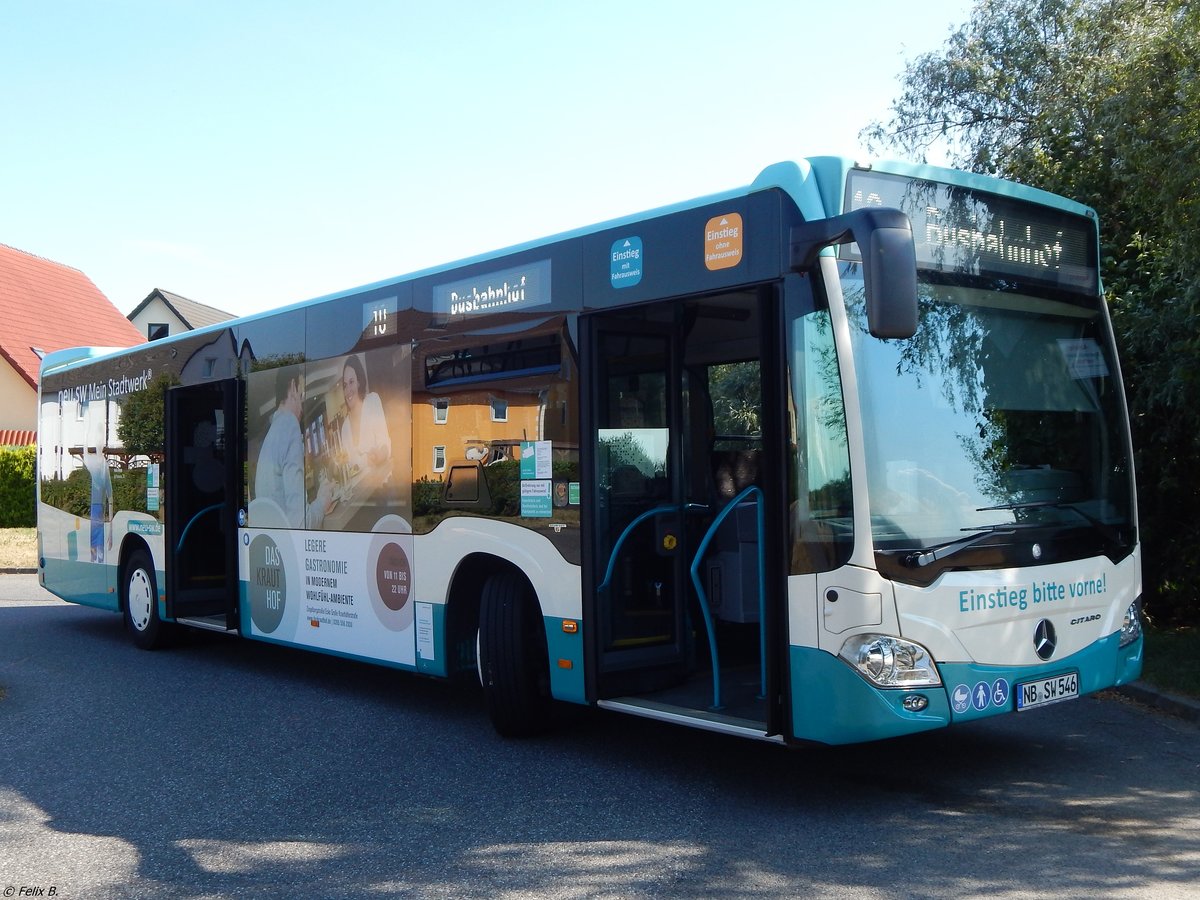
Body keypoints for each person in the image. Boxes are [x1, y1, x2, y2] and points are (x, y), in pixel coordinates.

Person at [254, 367, 332, 528]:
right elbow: (301, 523)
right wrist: (322, 502)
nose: (302, 406)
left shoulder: (270, 436)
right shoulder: (289, 424)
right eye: (302, 394)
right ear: (293, 388)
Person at [339, 354, 391, 470]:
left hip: (382, 482)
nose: (348, 390)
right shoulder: (344, 428)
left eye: (351, 382)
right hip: (362, 488)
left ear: (359, 382)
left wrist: (380, 456)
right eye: (345, 385)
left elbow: (384, 443)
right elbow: (347, 466)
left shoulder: (372, 401)